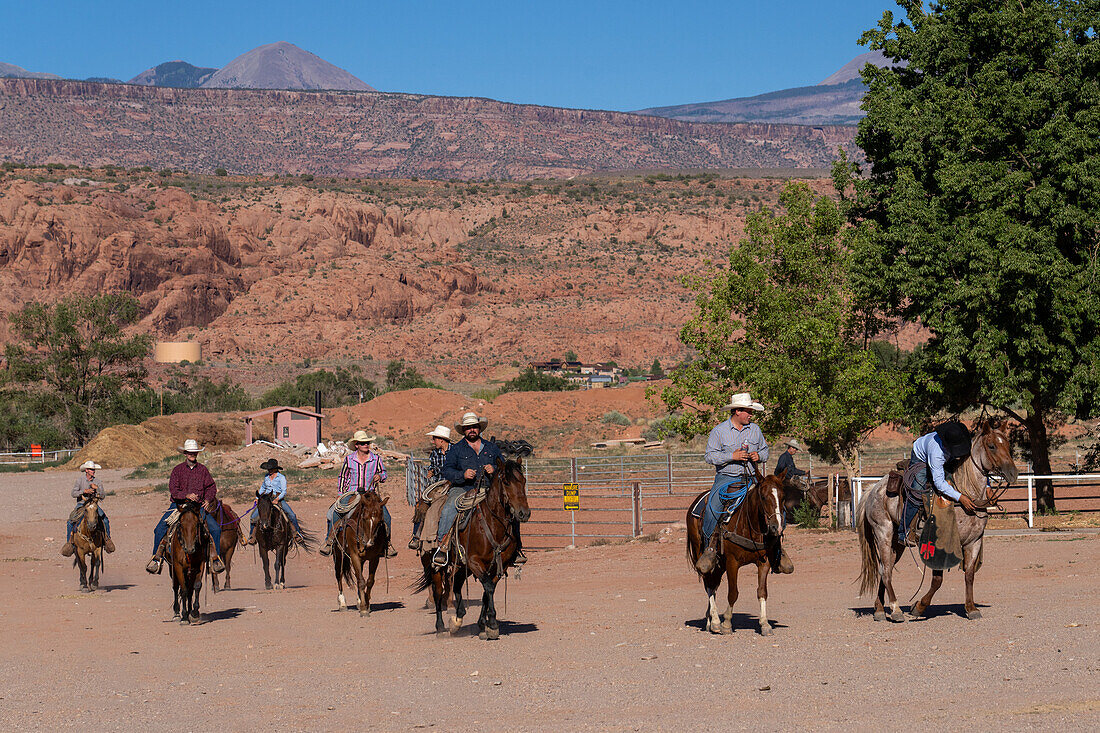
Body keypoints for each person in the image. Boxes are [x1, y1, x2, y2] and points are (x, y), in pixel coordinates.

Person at [694, 393, 792, 575]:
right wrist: (732, 456)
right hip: (726, 478)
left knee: (775, 505)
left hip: (753, 479)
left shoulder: (755, 430)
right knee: (713, 508)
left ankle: (777, 549)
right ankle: (710, 549)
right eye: (748, 411)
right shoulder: (719, 431)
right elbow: (709, 456)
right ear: (737, 411)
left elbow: (765, 451)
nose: (751, 415)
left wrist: (758, 456)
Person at [432, 412, 523, 569]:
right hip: (463, 488)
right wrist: (462, 474)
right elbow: (447, 470)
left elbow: (504, 469)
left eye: (474, 427)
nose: (471, 430)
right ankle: (443, 547)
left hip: (489, 489)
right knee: (449, 509)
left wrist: (494, 468)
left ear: (479, 428)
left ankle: (516, 550)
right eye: (468, 428)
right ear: (464, 430)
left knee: (511, 511)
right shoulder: (457, 449)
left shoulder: (491, 448)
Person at [145, 439, 225, 575]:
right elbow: (173, 490)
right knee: (159, 529)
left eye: (194, 453)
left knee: (216, 530)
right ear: (186, 454)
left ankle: (215, 559)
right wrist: (186, 495)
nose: (192, 455)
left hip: (198, 507)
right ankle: (156, 559)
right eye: (190, 453)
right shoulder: (177, 470)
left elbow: (211, 487)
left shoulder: (203, 470)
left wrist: (207, 499)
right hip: (179, 506)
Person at [319, 431, 397, 558]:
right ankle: (329, 541)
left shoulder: (376, 458)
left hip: (370, 494)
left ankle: (387, 544)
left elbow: (384, 473)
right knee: (334, 513)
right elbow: (343, 477)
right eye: (363, 443)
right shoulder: (349, 459)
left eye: (367, 442)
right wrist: (340, 493)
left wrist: (380, 476)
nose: (366, 445)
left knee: (386, 517)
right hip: (352, 493)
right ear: (357, 445)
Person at [898, 421, 977, 546]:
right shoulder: (937, 453)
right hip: (920, 457)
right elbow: (939, 483)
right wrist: (960, 497)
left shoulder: (960, 439)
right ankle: (903, 531)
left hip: (947, 457)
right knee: (916, 492)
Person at [61, 460, 115, 556]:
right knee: (70, 521)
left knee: (105, 520)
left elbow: (103, 496)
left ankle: (107, 540)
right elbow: (73, 493)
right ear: (86, 470)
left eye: (93, 469)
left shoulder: (97, 481)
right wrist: (83, 491)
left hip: (94, 505)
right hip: (82, 504)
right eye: (91, 469)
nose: (93, 471)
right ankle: (70, 543)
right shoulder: (80, 480)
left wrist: (97, 488)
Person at [410, 425, 451, 550]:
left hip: (452, 483)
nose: (433, 441)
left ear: (441, 440)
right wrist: (430, 470)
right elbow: (432, 466)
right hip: (437, 484)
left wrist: (436, 470)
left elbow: (452, 467)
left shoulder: (456, 451)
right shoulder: (434, 453)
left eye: (434, 439)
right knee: (421, 506)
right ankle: (416, 536)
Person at [247, 459, 305, 544]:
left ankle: (297, 533)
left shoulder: (281, 478)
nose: (269, 470)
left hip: (278, 498)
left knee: (292, 515)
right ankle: (252, 535)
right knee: (253, 516)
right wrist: (257, 497)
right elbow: (263, 488)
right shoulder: (266, 477)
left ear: (275, 468)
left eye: (271, 468)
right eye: (268, 469)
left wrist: (277, 499)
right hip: (266, 499)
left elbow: (284, 491)